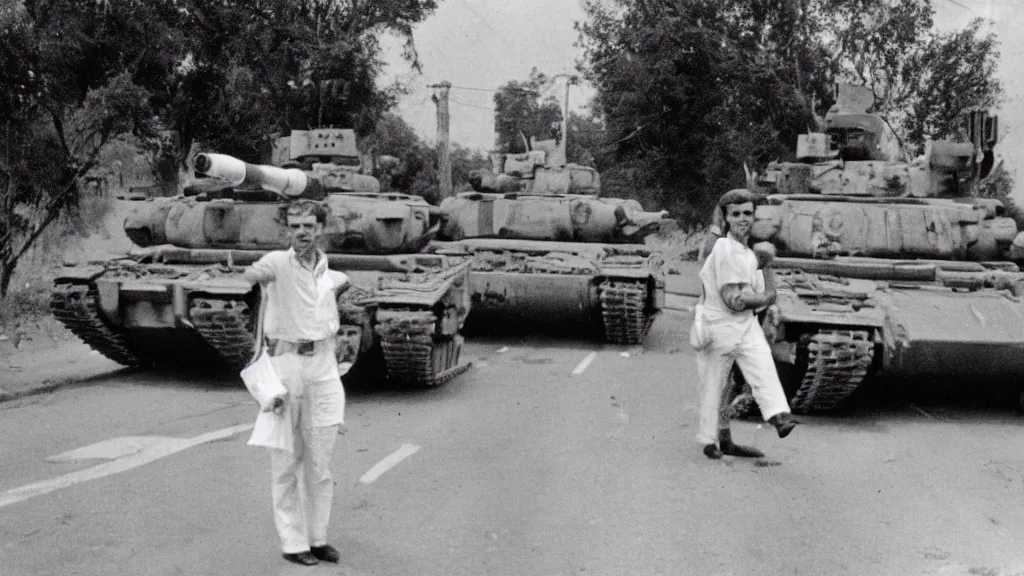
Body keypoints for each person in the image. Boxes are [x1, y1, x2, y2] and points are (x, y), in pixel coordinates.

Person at [242, 199, 351, 566]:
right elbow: (252, 274)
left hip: (323, 365)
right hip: (286, 363)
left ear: (319, 227)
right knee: (286, 460)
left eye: (308, 225)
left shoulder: (327, 270)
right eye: (294, 226)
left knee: (320, 462)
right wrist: (254, 275)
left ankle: (318, 538)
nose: (301, 232)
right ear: (287, 229)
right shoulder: (276, 262)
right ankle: (293, 543)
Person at [694, 189, 798, 460]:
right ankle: (715, 439)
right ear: (726, 217)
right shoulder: (721, 245)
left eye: (748, 214)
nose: (743, 219)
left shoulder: (754, 244)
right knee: (720, 381)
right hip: (723, 318)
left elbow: (763, 281)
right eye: (736, 214)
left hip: (747, 317)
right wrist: (765, 296)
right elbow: (731, 294)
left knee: (746, 373)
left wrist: (770, 302)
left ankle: (768, 419)